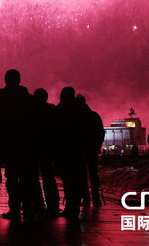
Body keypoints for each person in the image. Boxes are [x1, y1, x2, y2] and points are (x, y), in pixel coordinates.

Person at [0, 69, 38, 222]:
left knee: (11, 178)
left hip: (8, 145)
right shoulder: (30, 101)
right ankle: (28, 208)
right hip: (26, 145)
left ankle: (15, 208)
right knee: (26, 179)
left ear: (6, 80)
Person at [55, 87, 87, 220]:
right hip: (78, 150)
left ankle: (70, 207)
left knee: (68, 181)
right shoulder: (80, 109)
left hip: (64, 150)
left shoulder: (60, 109)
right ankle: (74, 207)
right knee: (76, 180)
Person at [33, 88, 60, 215]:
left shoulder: (32, 112)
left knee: (34, 178)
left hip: (34, 148)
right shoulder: (52, 111)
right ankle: (53, 204)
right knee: (48, 177)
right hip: (48, 149)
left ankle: (38, 204)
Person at [78, 94, 105, 208]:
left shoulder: (78, 116)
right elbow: (101, 132)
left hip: (81, 149)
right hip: (92, 149)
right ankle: (96, 198)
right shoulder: (94, 116)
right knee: (93, 174)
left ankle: (86, 198)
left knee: (82, 174)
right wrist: (98, 145)